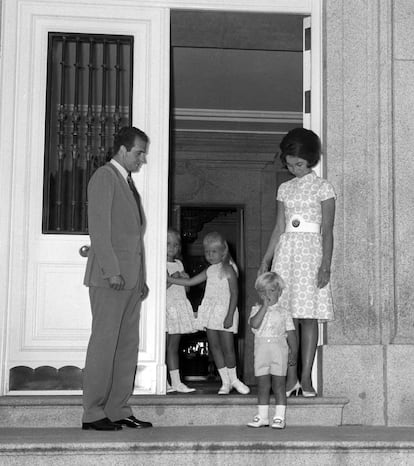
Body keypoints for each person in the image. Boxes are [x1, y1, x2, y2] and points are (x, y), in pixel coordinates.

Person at [82, 126, 153, 431]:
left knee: (126, 346)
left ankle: (117, 408)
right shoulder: (104, 177)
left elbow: (133, 238)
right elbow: (99, 230)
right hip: (110, 279)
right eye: (139, 153)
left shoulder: (126, 182)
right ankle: (93, 412)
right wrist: (112, 271)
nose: (143, 159)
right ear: (123, 150)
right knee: (105, 344)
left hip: (131, 281)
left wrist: (142, 280)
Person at [258, 127, 336, 398]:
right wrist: (266, 260)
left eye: (299, 164)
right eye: (290, 165)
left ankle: (306, 378)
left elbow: (328, 230)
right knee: (286, 317)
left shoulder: (323, 187)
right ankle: (290, 377)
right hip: (287, 254)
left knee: (308, 317)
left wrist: (325, 265)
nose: (294, 169)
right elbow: (279, 226)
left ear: (311, 160)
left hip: (311, 253)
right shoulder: (284, 188)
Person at [167, 231, 250, 395]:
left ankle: (234, 379)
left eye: (214, 252)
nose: (210, 255)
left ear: (223, 251)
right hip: (210, 313)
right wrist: (168, 279)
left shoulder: (229, 270)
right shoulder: (209, 270)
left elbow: (235, 294)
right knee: (215, 347)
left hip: (226, 312)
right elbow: (190, 281)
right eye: (207, 252)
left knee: (228, 348)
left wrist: (229, 315)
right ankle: (225, 382)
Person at [247, 272, 297, 429]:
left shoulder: (284, 312)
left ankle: (279, 416)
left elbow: (291, 334)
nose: (267, 295)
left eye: (271, 291)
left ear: (279, 292)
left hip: (279, 351)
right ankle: (262, 416)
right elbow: (254, 324)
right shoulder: (256, 309)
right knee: (262, 385)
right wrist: (264, 307)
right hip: (262, 351)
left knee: (279, 385)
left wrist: (293, 352)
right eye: (263, 291)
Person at [166, 228, 196, 393]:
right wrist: (175, 278)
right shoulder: (159, 263)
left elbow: (186, 290)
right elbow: (162, 286)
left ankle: (176, 381)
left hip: (178, 306)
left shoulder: (179, 264)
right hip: (166, 307)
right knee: (163, 346)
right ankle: (164, 381)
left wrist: (185, 280)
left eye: (176, 244)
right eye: (168, 244)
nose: (172, 248)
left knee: (173, 346)